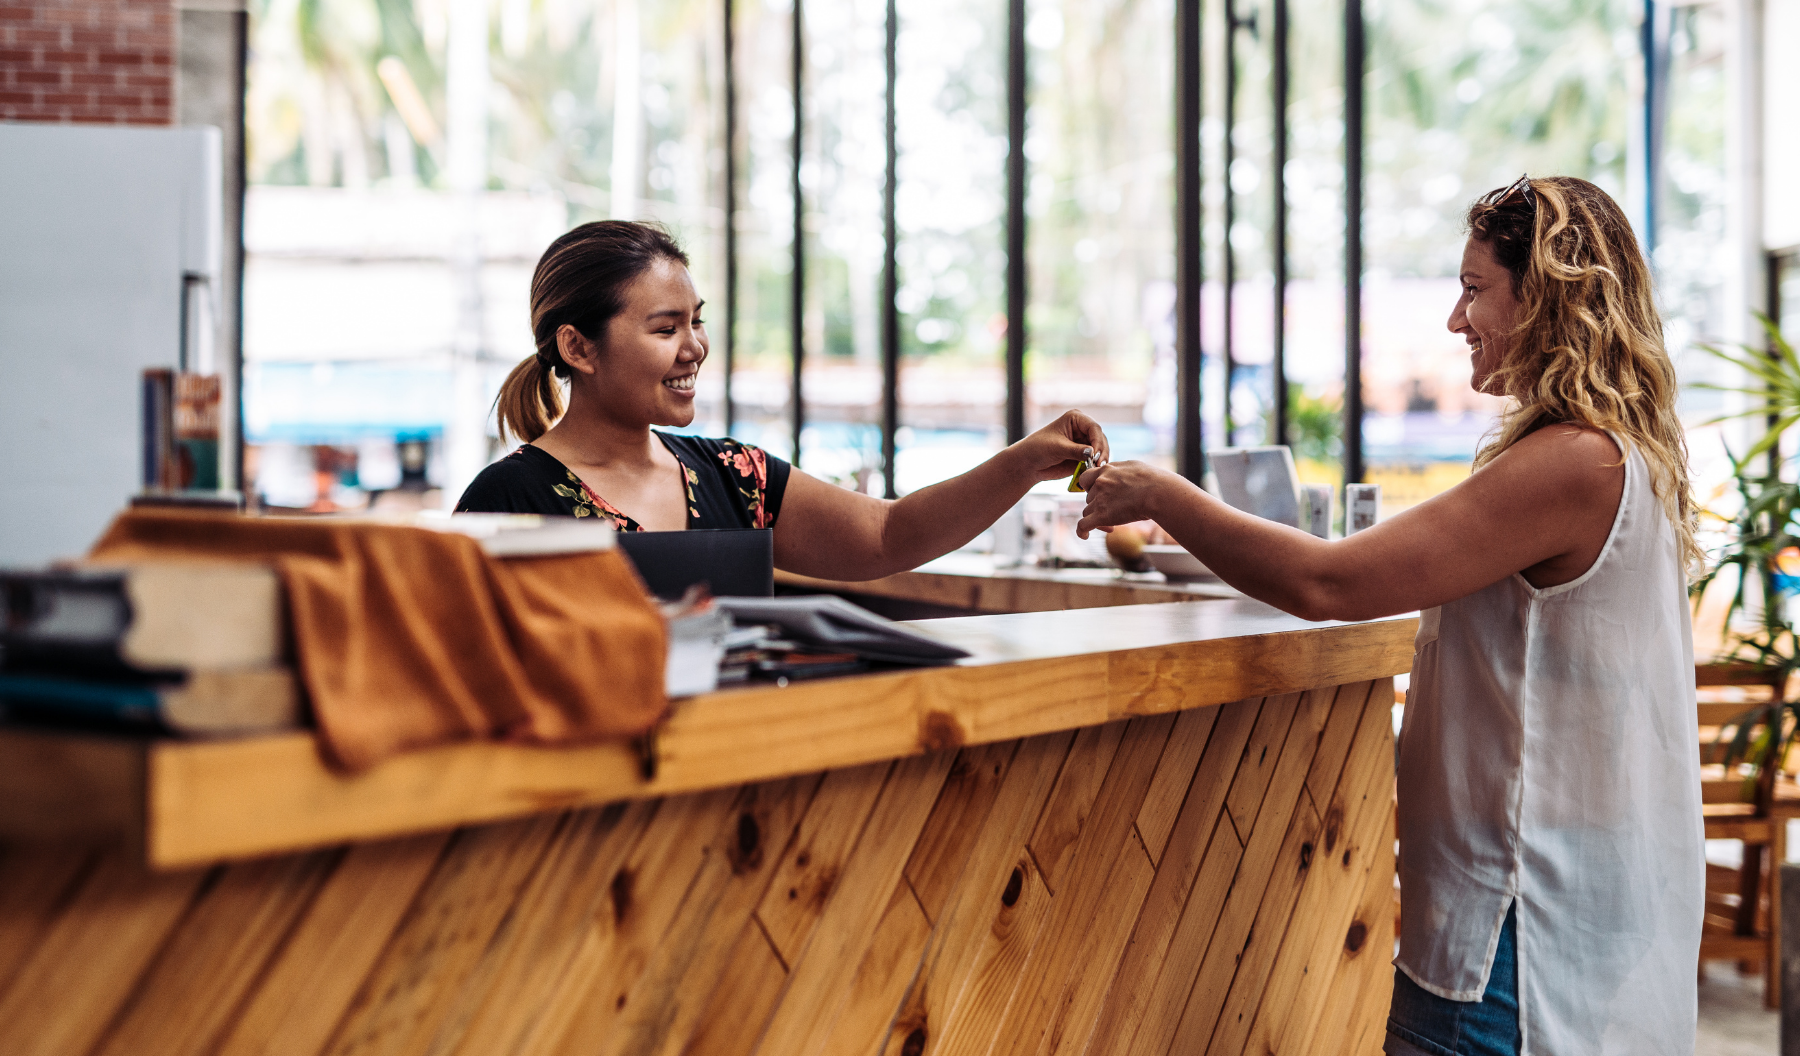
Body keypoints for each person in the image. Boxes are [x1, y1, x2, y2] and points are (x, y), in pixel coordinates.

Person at [1076, 176, 1702, 1056]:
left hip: (1515, 934)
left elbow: (1330, 585)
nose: (1456, 319)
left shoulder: (1574, 463)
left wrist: (1164, 495)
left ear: (1551, 295)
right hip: (1552, 916)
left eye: (1475, 288)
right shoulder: (1618, 455)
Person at [456, 220, 1107, 581]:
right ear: (579, 347)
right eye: (665, 329)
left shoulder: (735, 476)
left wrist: (1022, 464)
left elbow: (887, 535)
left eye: (696, 322)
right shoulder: (503, 503)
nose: (695, 348)